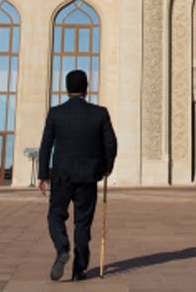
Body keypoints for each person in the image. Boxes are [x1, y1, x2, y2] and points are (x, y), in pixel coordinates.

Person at [38, 69, 117, 282]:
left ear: (67, 89)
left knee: (55, 214)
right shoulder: (100, 113)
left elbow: (46, 145)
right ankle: (78, 269)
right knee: (82, 223)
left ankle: (62, 247)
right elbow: (110, 143)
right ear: (86, 88)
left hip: (62, 175)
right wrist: (106, 168)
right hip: (87, 176)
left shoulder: (56, 113)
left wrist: (43, 175)